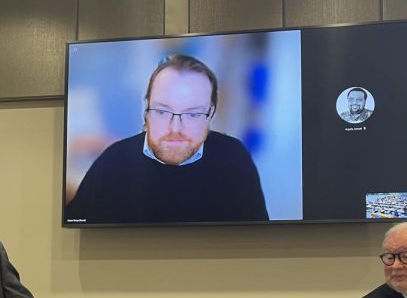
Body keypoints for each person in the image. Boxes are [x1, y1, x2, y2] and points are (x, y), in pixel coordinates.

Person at [65, 54, 269, 224]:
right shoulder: (113, 160)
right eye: (162, 112)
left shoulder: (233, 159)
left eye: (193, 114)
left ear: (211, 113)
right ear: (146, 110)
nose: (175, 128)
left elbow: (258, 238)